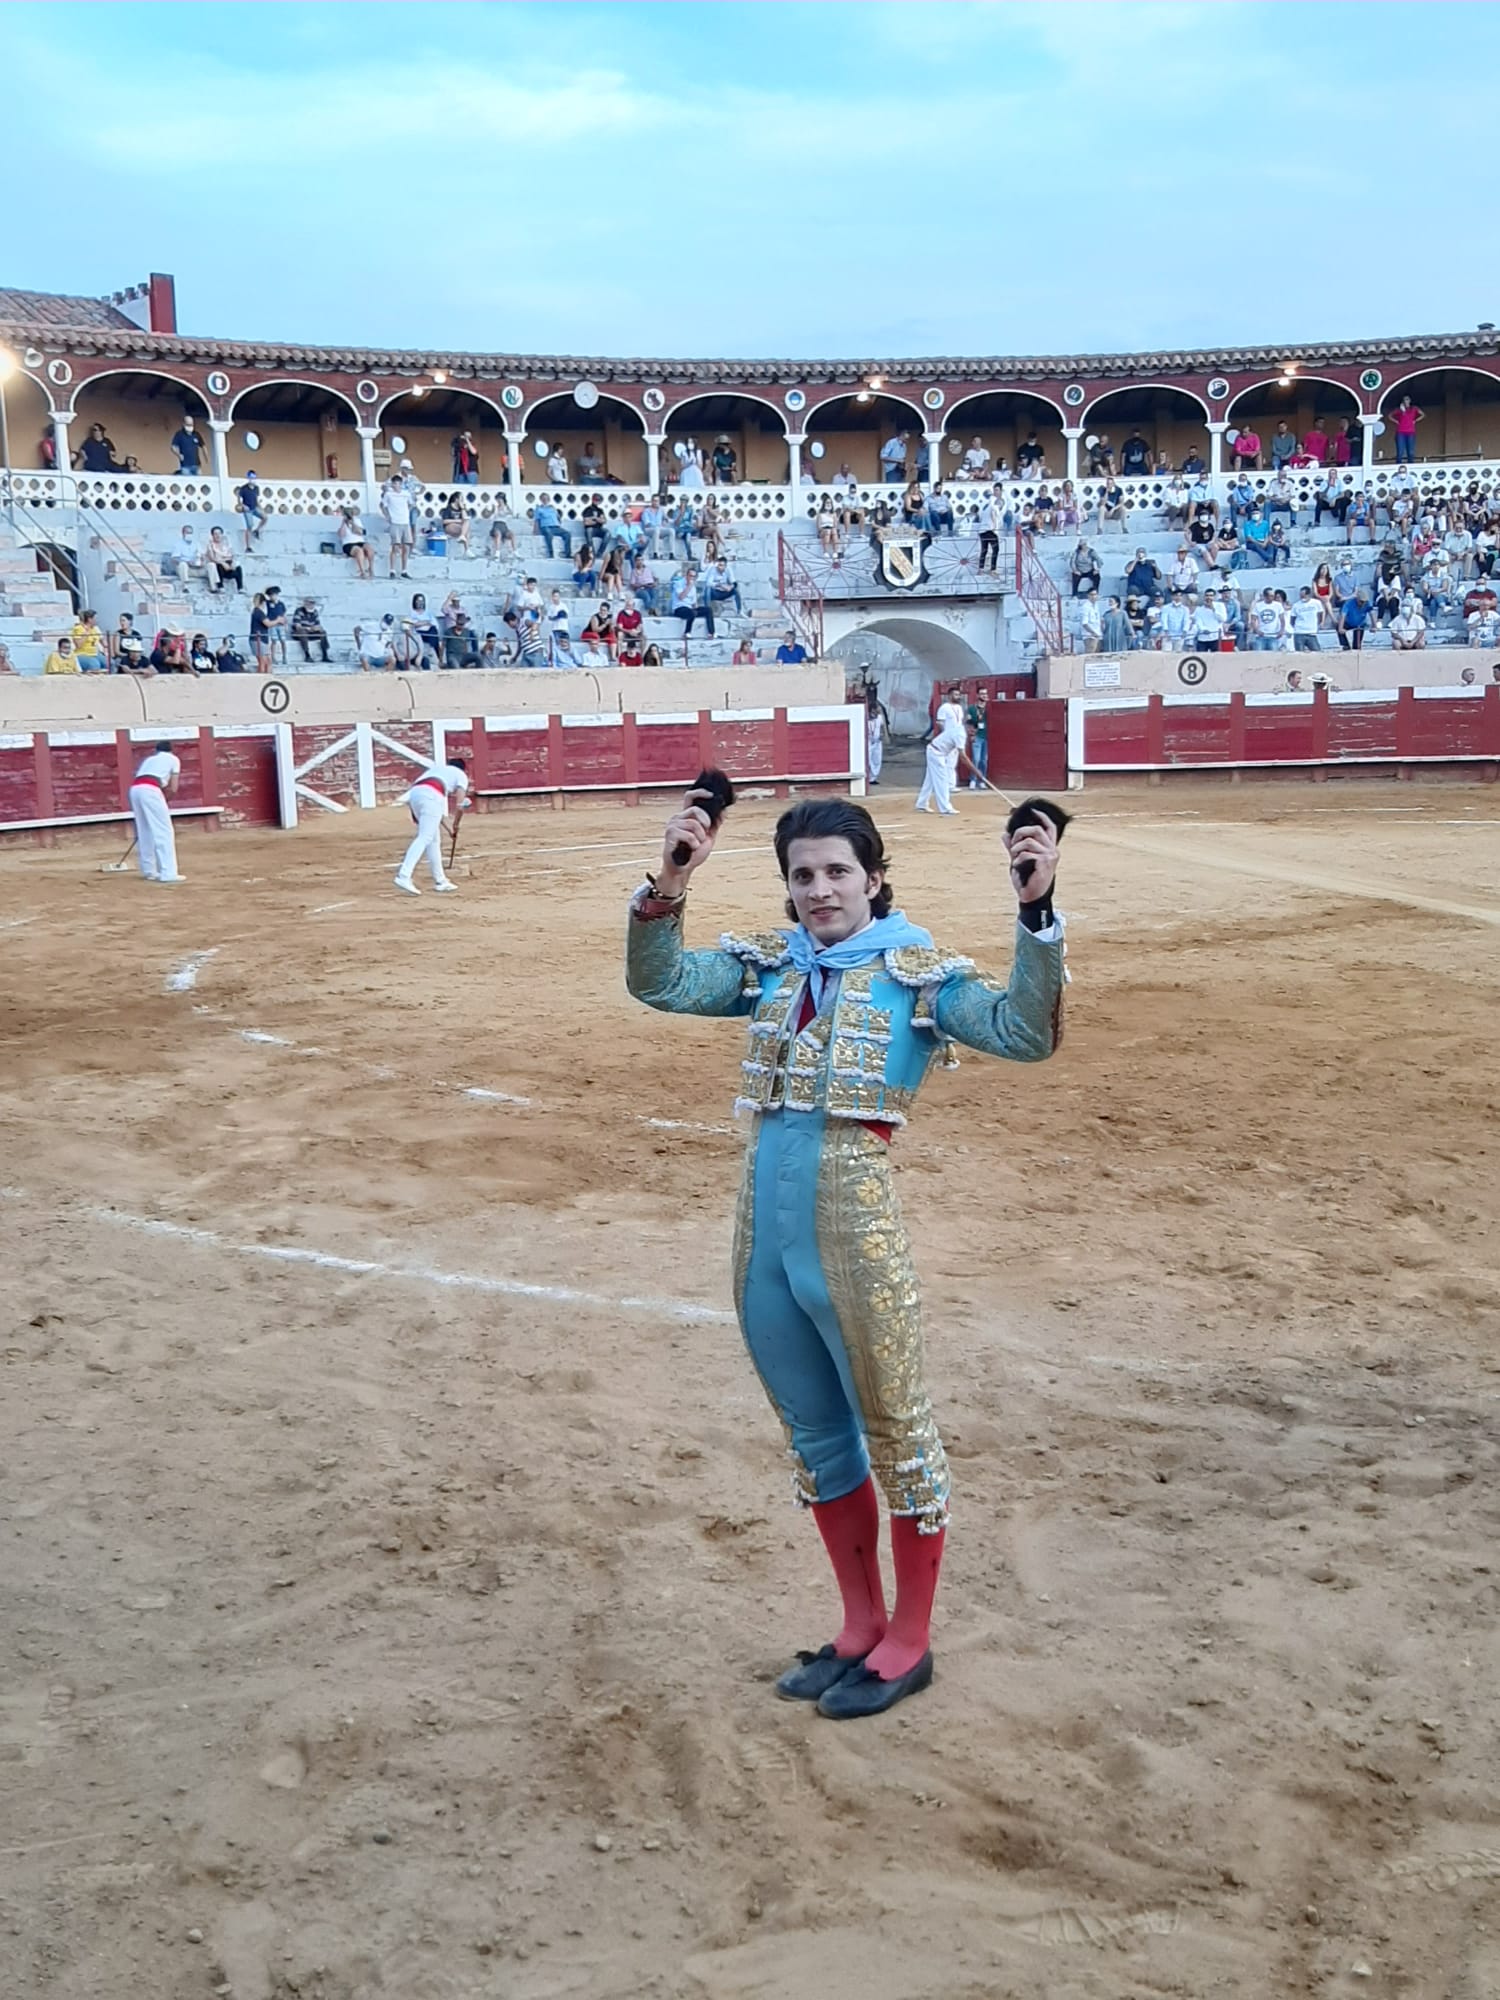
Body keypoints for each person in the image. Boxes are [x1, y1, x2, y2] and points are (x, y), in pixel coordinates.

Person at [625, 791, 1064, 1718]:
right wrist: (670, 883)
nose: (821, 890)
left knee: (898, 1433)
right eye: (803, 876)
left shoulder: (916, 976)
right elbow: (658, 984)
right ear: (788, 888)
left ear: (872, 878)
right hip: (764, 1230)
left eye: (837, 872)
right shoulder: (771, 971)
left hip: (853, 1218)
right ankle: (860, 1625)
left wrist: (1037, 914)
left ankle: (911, 1639)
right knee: (818, 1438)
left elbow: (1026, 1035)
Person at [394, 756, 469, 895]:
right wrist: (456, 825)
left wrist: (449, 828)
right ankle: (404, 875)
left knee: (433, 840)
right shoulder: (461, 775)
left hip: (415, 795)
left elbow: (436, 815)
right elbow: (460, 805)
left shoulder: (438, 771)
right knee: (425, 838)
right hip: (432, 795)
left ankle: (441, 881)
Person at [127, 740, 187, 884]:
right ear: (171, 750)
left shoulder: (150, 759)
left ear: (157, 750)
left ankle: (149, 870)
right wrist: (165, 800)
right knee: (163, 830)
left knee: (145, 829)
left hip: (135, 790)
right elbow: (173, 788)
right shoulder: (173, 759)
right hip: (151, 790)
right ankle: (168, 873)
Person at [915, 688, 965, 815]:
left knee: (931, 777)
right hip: (940, 747)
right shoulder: (944, 708)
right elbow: (941, 723)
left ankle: (922, 803)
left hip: (946, 746)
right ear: (949, 695)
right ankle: (945, 807)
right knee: (941, 777)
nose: (957, 696)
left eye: (959, 694)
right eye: (955, 694)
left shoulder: (959, 710)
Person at [381, 475, 415, 578]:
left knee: (406, 547)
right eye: (395, 483)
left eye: (399, 483)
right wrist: (387, 516)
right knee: (395, 547)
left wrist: (406, 512)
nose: (397, 486)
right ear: (392, 484)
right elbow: (383, 505)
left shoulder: (406, 494)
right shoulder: (388, 494)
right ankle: (392, 570)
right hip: (395, 522)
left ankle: (404, 570)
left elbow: (411, 504)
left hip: (405, 522)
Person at [337, 505, 374, 580]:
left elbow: (360, 532)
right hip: (348, 544)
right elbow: (341, 535)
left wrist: (353, 523)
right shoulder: (341, 522)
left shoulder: (357, 520)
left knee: (369, 549)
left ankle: (371, 569)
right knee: (359, 551)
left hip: (360, 541)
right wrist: (344, 523)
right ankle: (362, 572)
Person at [964, 686, 990, 790]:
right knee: (976, 759)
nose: (984, 695)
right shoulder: (971, 708)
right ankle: (973, 780)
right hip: (977, 736)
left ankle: (981, 780)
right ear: (978, 695)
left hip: (987, 736)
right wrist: (971, 735)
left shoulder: (989, 707)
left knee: (984, 760)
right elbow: (969, 723)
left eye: (985, 694)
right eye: (982, 693)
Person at [291, 597, 330, 664]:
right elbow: (297, 626)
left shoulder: (315, 612)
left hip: (311, 632)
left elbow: (318, 624)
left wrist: (316, 628)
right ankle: (307, 655)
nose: (311, 605)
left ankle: (325, 655)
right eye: (309, 603)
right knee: (302, 632)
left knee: (323, 632)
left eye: (312, 603)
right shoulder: (299, 611)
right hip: (299, 632)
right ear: (305, 603)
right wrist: (307, 628)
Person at [205, 526, 243, 592]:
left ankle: (240, 587)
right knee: (218, 566)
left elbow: (233, 554)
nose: (218, 535)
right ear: (212, 535)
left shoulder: (227, 543)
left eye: (219, 533)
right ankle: (220, 586)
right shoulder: (210, 545)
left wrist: (233, 562)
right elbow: (212, 558)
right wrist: (223, 563)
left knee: (238, 567)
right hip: (219, 562)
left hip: (229, 561)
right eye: (215, 534)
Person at [864, 684, 889, 783]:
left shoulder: (879, 717)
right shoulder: (866, 718)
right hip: (869, 740)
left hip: (877, 740)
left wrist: (885, 736)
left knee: (877, 759)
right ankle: (868, 777)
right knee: (868, 759)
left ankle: (873, 778)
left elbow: (883, 727)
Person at [71, 608, 109, 673]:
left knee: (110, 663)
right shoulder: (78, 628)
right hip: (82, 654)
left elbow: (103, 641)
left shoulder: (95, 628)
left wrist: (105, 649)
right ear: (89, 619)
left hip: (95, 653)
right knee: (95, 664)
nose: (97, 621)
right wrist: (86, 634)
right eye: (95, 618)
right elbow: (78, 645)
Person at [236, 468, 266, 549]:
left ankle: (257, 530)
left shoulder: (256, 488)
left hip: (254, 507)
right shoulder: (244, 488)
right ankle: (248, 546)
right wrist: (242, 505)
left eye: (254, 477)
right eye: (250, 477)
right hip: (248, 509)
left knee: (265, 518)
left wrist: (261, 508)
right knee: (249, 526)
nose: (252, 479)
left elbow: (256, 499)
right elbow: (238, 498)